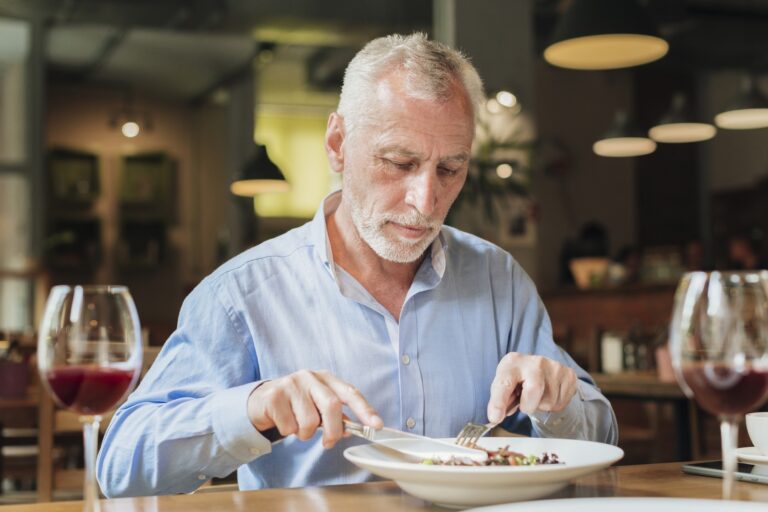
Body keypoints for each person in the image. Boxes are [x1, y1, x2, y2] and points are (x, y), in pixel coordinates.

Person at [97, 33, 617, 497]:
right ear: (337, 144)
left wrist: (558, 404)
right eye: (400, 163)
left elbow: (602, 438)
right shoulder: (243, 293)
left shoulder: (498, 279)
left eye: (450, 169)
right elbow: (121, 464)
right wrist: (253, 408)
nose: (425, 201)